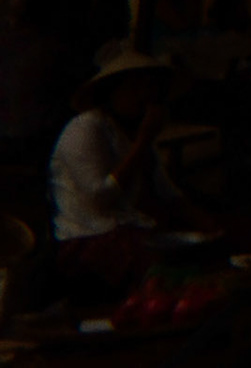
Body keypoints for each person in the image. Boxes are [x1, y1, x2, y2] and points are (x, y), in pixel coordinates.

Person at [48, 52, 211, 297]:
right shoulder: (85, 128)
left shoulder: (132, 132)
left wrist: (210, 228)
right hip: (87, 237)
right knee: (159, 273)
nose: (144, 95)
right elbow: (99, 198)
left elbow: (168, 193)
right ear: (112, 92)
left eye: (149, 87)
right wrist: (143, 142)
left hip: (133, 228)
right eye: (134, 87)